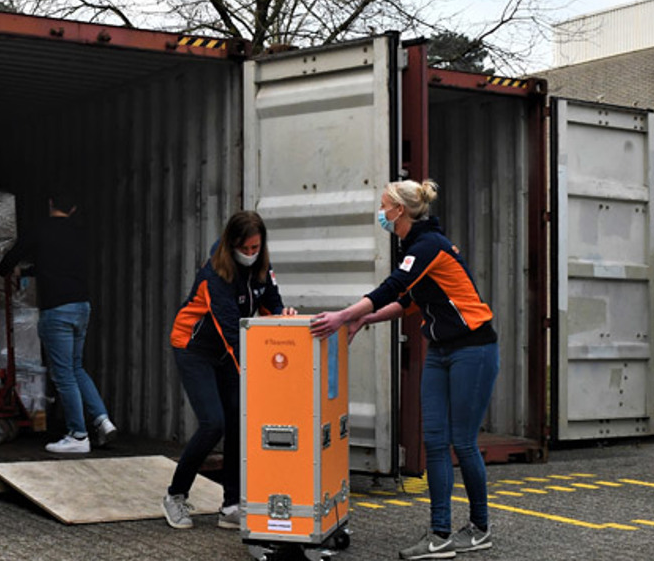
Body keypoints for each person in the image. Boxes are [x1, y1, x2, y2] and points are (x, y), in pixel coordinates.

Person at [310, 180, 499, 559]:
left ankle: (480, 527)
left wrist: (345, 315)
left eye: (384, 205)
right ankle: (440, 534)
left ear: (400, 210)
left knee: (461, 442)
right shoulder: (416, 247)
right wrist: (366, 321)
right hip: (441, 350)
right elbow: (409, 300)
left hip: (473, 349)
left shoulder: (429, 245)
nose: (380, 212)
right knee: (433, 441)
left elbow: (394, 286)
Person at [161, 210, 297, 530]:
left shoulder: (262, 265)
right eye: (245, 249)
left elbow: (270, 303)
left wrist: (282, 315)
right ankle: (175, 495)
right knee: (213, 423)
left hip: (225, 352)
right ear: (231, 244)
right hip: (194, 348)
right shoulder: (214, 277)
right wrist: (257, 375)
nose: (250, 254)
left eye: (255, 248)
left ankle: (231, 505)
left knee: (239, 419)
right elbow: (231, 333)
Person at [0, 191, 116, 454]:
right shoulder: (79, 233)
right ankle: (102, 419)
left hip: (57, 311)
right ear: (73, 209)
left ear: (50, 203)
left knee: (63, 375)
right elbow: (56, 265)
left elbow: (13, 256)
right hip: (81, 306)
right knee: (76, 367)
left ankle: (78, 435)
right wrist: (29, 271)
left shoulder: (41, 229)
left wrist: (1, 271)